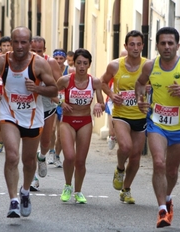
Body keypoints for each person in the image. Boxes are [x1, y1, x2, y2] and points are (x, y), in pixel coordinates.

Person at [136, 27, 180, 227]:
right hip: (156, 123)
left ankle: (167, 198)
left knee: (172, 170)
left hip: (179, 126)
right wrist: (141, 100)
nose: (167, 47)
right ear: (157, 45)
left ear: (177, 45)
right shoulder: (150, 66)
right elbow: (140, 84)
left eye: (170, 43)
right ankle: (161, 211)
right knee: (159, 163)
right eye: (163, 43)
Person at [0, 26, 57, 218]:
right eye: (16, 41)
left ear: (30, 43)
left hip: (33, 118)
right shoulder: (2, 61)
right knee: (11, 156)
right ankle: (13, 200)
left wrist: (37, 88)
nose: (19, 46)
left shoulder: (39, 64)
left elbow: (54, 90)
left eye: (23, 42)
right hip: (9, 114)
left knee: (28, 160)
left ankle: (25, 190)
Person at [100, 30, 147, 204]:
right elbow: (102, 82)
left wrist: (149, 90)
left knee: (135, 157)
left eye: (138, 44)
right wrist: (112, 95)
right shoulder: (115, 65)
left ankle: (126, 189)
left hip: (140, 115)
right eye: (132, 44)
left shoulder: (148, 66)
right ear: (125, 46)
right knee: (125, 147)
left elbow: (157, 86)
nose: (135, 47)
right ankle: (120, 168)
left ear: (142, 45)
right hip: (121, 114)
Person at [58, 48, 104, 204]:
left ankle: (78, 191)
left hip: (85, 122)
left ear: (89, 64)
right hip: (67, 121)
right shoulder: (65, 80)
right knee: (69, 156)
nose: (82, 66)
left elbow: (101, 101)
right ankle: (67, 186)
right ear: (74, 63)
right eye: (79, 63)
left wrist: (99, 106)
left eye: (85, 63)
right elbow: (53, 93)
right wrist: (61, 102)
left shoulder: (95, 82)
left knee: (80, 161)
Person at [28, 36, 62, 191]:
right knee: (31, 143)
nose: (36, 54)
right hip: (29, 107)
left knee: (46, 141)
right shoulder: (23, 62)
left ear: (45, 50)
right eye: (33, 50)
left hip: (47, 105)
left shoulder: (51, 62)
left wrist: (58, 97)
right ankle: (33, 178)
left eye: (39, 51)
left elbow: (60, 84)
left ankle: (41, 157)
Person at [50, 49, 75, 167]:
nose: (59, 61)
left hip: (63, 104)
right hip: (50, 102)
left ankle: (57, 155)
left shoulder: (69, 71)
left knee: (59, 133)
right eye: (56, 58)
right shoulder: (48, 69)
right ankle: (50, 150)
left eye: (61, 58)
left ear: (65, 59)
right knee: (51, 130)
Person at [105, 49, 128, 150]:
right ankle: (112, 136)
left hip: (129, 104)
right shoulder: (113, 68)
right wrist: (111, 95)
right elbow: (103, 82)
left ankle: (123, 147)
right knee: (112, 129)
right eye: (121, 57)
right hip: (112, 101)